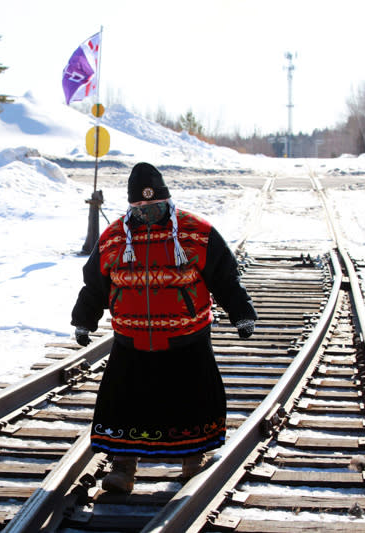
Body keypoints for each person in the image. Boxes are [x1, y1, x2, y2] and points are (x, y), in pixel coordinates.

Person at [71, 162, 256, 492]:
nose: (147, 212)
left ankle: (192, 459)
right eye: (140, 207)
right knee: (125, 405)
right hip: (131, 341)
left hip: (187, 339)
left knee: (191, 402)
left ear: (166, 201)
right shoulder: (113, 238)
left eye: (153, 205)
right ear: (131, 206)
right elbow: (94, 286)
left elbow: (225, 277)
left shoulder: (196, 232)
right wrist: (84, 321)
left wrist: (241, 312)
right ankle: (123, 468)